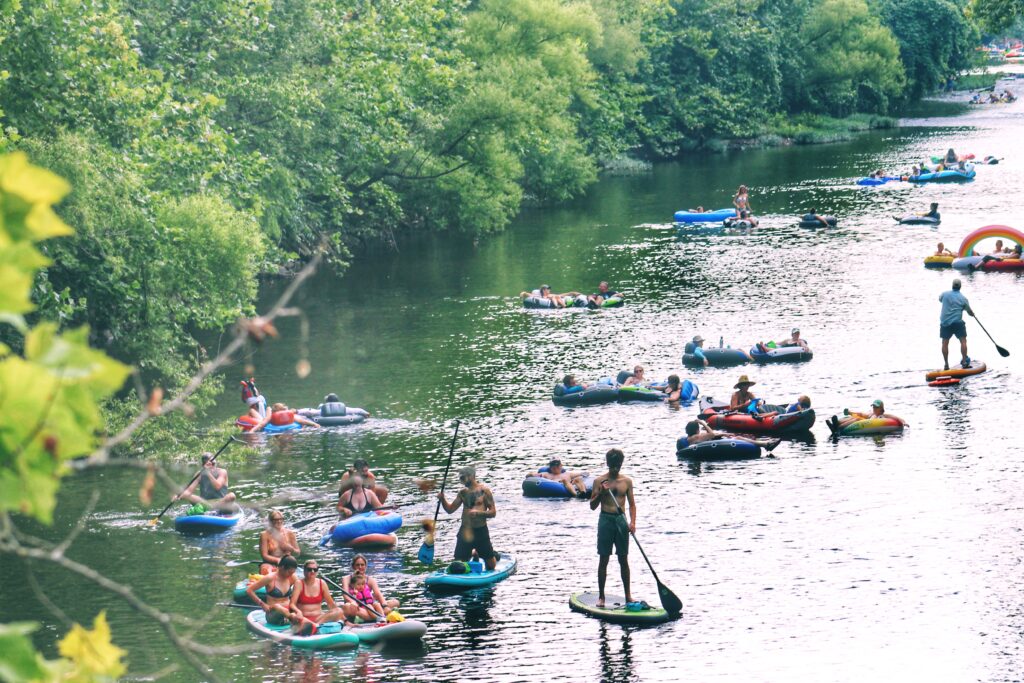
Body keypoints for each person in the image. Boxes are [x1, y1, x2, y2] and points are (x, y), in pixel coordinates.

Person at [590, 449, 634, 608]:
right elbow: (592, 506)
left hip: (621, 520)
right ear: (608, 464)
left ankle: (628, 596)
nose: (616, 468)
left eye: (618, 465)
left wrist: (632, 522)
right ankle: (601, 597)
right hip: (605, 519)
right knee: (604, 558)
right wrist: (601, 492)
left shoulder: (627, 481)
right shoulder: (599, 481)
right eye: (613, 465)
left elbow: (632, 505)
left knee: (623, 559)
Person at [438, 465, 499, 570]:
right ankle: (473, 553)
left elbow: (493, 513)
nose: (461, 480)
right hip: (465, 531)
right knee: (458, 565)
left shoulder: (484, 491)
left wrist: (479, 513)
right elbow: (450, 510)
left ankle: (478, 553)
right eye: (460, 478)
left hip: (481, 531)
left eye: (463, 477)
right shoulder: (463, 493)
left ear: (471, 476)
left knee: (491, 566)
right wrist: (443, 499)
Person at [246, 555, 304, 627]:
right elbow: (249, 590)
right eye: (289, 572)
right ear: (282, 568)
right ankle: (291, 618)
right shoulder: (270, 578)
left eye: (292, 573)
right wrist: (262, 604)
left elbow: (302, 589)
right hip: (273, 614)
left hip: (289, 609)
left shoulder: (292, 577)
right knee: (277, 606)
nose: (291, 575)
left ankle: (293, 618)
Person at [291, 559, 347, 628]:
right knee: (295, 617)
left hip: (319, 619)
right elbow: (292, 604)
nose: (312, 571)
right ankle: (313, 626)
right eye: (309, 569)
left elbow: (331, 605)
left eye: (315, 569)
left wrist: (345, 620)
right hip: (304, 618)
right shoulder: (299, 583)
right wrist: (298, 612)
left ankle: (316, 626)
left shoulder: (322, 583)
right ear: (304, 571)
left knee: (339, 610)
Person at [939, 278, 974, 370]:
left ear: (952, 285)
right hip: (958, 323)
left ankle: (946, 364)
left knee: (945, 343)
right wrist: (972, 314)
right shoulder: (963, 299)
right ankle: (964, 361)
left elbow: (940, 299)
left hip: (945, 323)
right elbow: (969, 312)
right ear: (960, 287)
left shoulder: (944, 294)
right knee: (963, 341)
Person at [678, 419, 781, 450]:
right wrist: (703, 423)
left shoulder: (691, 438)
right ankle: (765, 444)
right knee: (739, 438)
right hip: (710, 446)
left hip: (708, 443)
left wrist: (724, 434)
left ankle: (765, 443)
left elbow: (711, 435)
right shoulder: (696, 437)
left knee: (735, 437)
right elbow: (712, 434)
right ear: (696, 430)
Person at [259, 510, 301, 575]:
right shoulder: (264, 535)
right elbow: (264, 556)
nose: (279, 521)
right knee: (266, 570)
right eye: (276, 519)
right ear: (270, 521)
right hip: (270, 564)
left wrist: (291, 549)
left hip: (287, 564)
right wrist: (278, 560)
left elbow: (297, 553)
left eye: (281, 519)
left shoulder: (290, 533)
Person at [830, 400, 908, 431]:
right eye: (873, 406)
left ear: (881, 408)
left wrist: (904, 422)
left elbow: (896, 418)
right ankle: (836, 423)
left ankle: (838, 427)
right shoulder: (871, 414)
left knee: (858, 419)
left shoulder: (883, 415)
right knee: (855, 417)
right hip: (865, 422)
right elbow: (861, 414)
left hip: (869, 424)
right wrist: (850, 412)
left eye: (876, 407)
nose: (874, 408)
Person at [253, 402, 320, 432]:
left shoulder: (288, 416)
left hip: (290, 428)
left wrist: (314, 424)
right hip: (274, 428)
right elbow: (262, 424)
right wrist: (252, 431)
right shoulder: (270, 417)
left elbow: (302, 421)